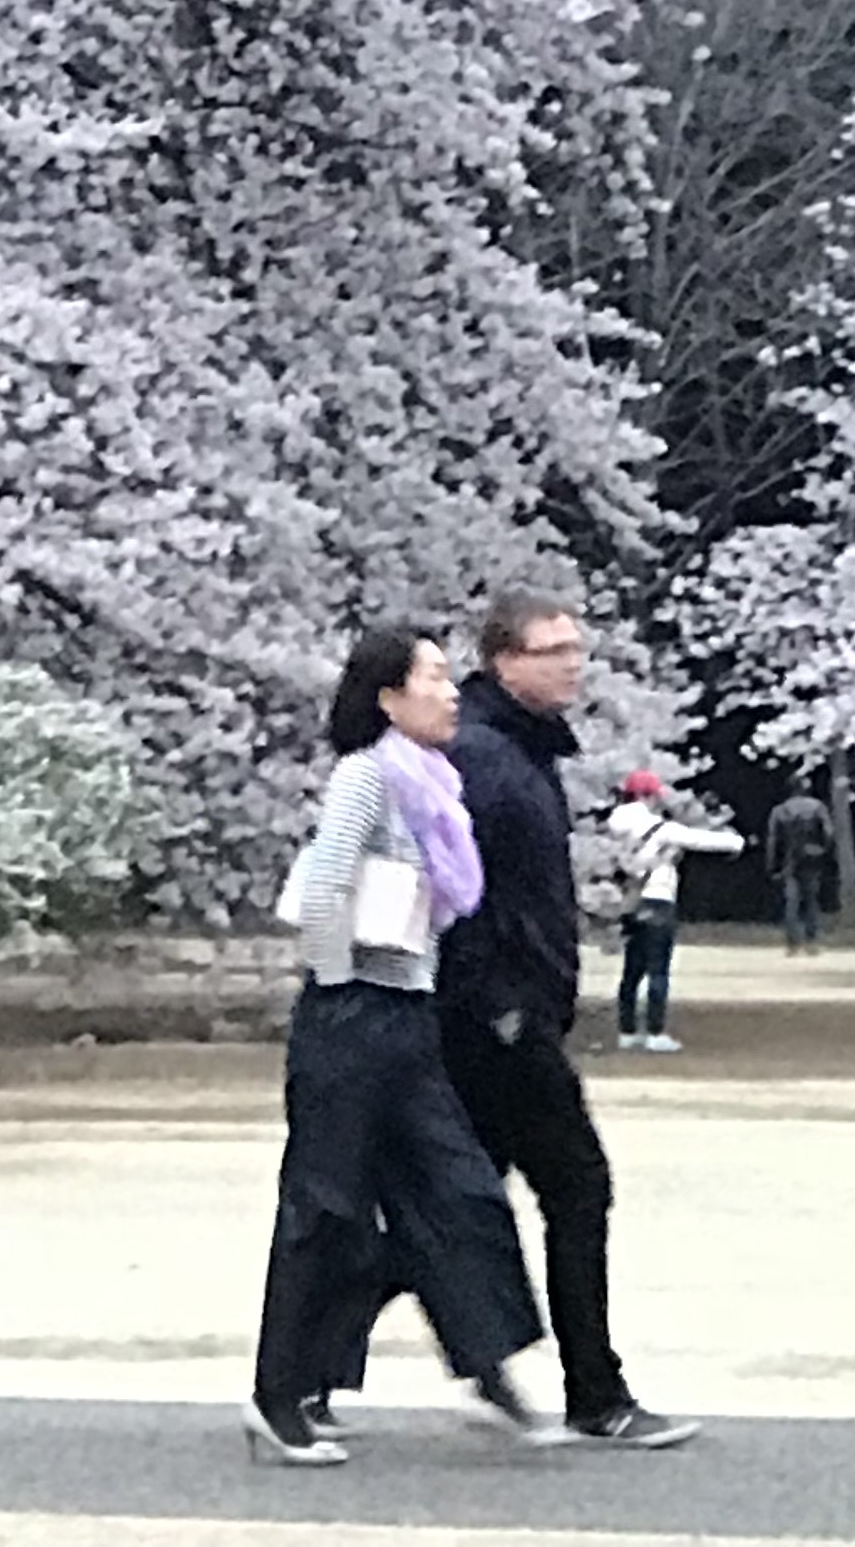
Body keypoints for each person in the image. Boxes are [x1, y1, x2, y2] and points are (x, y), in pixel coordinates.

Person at [248, 623, 557, 1467]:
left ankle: (487, 1363)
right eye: (432, 677)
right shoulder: (366, 776)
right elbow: (325, 887)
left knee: (460, 1191)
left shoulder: (433, 784)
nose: (451, 692)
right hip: (352, 1015)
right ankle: (280, 1395)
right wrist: (336, 981)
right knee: (326, 1205)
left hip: (409, 1017)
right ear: (389, 696)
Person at [430, 586, 698, 1448]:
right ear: (504, 660)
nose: (574, 665)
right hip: (498, 1020)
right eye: (555, 651)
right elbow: (463, 897)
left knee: (453, 1199)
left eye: (578, 649)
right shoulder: (486, 759)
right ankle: (595, 1390)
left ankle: (306, 1369)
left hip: (510, 1011)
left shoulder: (518, 752)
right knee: (576, 1187)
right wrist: (505, 1004)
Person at [599, 768, 741, 1051]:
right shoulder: (661, 829)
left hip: (629, 901)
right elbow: (700, 840)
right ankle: (654, 1032)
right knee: (658, 970)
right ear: (649, 796)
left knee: (631, 971)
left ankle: (627, 1032)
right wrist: (735, 841)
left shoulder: (611, 828)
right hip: (658, 899)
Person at [764, 778, 836, 956]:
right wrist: (824, 850)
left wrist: (771, 864)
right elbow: (829, 832)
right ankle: (811, 942)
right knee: (811, 901)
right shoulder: (817, 807)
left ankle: (792, 944)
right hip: (812, 858)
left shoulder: (780, 810)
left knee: (791, 902)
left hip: (789, 860)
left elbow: (773, 840)